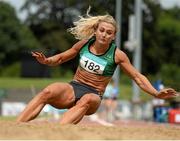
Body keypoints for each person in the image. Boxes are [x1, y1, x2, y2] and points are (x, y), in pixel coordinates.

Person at [17, 9, 179, 125]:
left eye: (109, 33)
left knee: (87, 99)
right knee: (48, 91)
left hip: (94, 94)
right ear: (95, 31)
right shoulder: (83, 44)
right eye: (102, 30)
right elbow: (60, 58)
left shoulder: (117, 55)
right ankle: (17, 125)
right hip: (74, 87)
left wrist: (155, 93)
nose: (104, 34)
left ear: (113, 36)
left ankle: (58, 132)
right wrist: (47, 61)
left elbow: (137, 77)